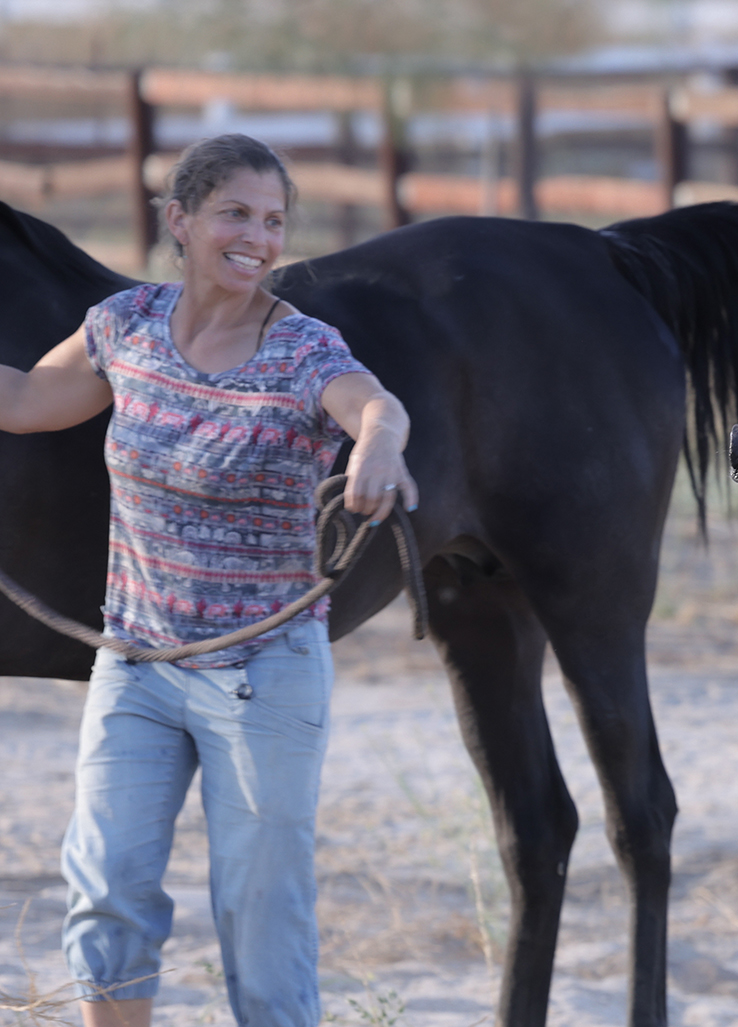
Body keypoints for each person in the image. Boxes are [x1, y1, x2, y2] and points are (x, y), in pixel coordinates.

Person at [0, 133, 417, 1027]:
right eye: (236, 213)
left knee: (262, 925)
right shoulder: (125, 325)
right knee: (105, 896)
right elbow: (28, 400)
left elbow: (374, 403)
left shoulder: (304, 348)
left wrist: (378, 445)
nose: (258, 237)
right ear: (179, 221)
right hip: (135, 665)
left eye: (273, 221)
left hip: (262, 676)